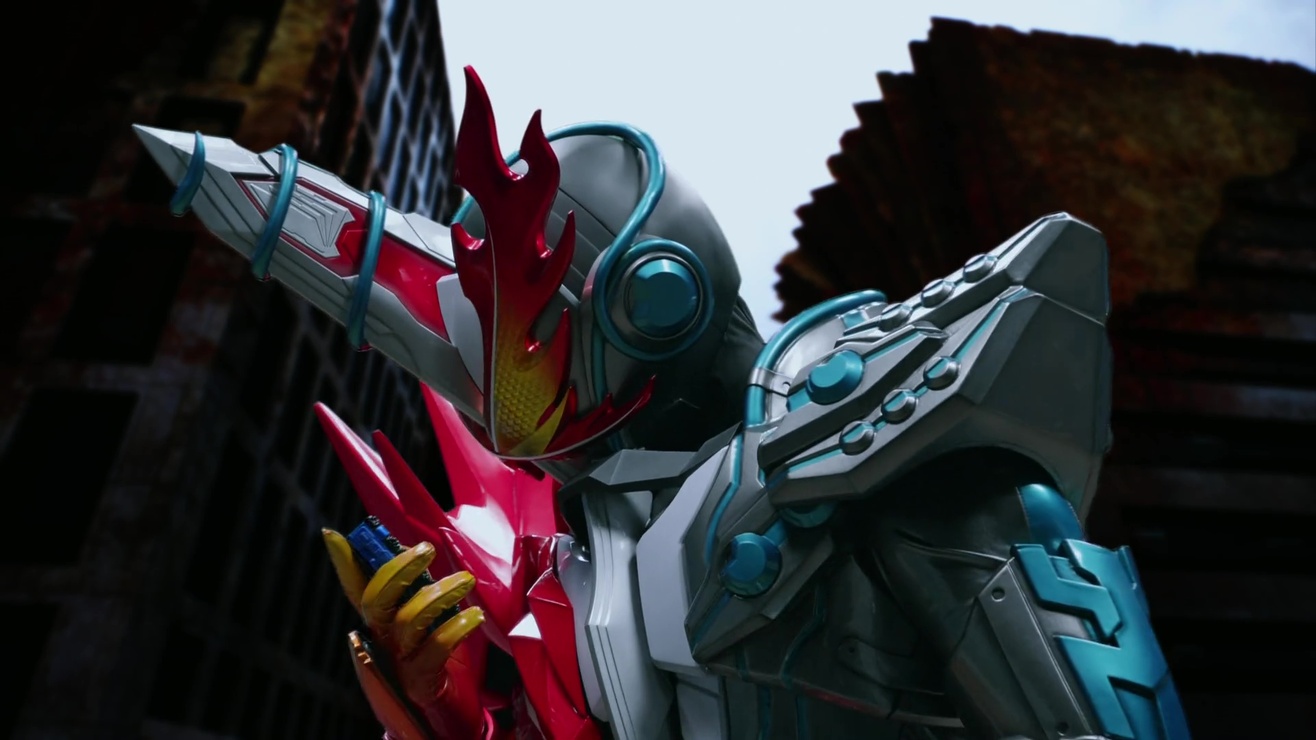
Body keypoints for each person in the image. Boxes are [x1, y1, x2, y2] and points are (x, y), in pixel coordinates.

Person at [135, 66, 1190, 740]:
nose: (507, 405)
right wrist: (446, 703)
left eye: (522, 358)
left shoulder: (888, 455)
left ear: (652, 302)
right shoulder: (593, 555)